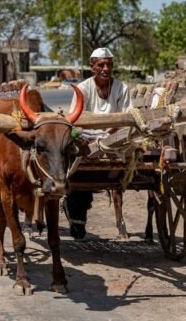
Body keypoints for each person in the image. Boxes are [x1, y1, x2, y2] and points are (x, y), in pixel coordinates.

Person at [65, 47, 132, 240]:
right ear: (92, 67)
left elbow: (128, 117)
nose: (105, 68)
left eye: (109, 64)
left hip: (115, 140)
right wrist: (92, 135)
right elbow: (75, 120)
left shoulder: (121, 88)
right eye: (101, 64)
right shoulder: (83, 89)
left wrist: (113, 132)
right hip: (87, 139)